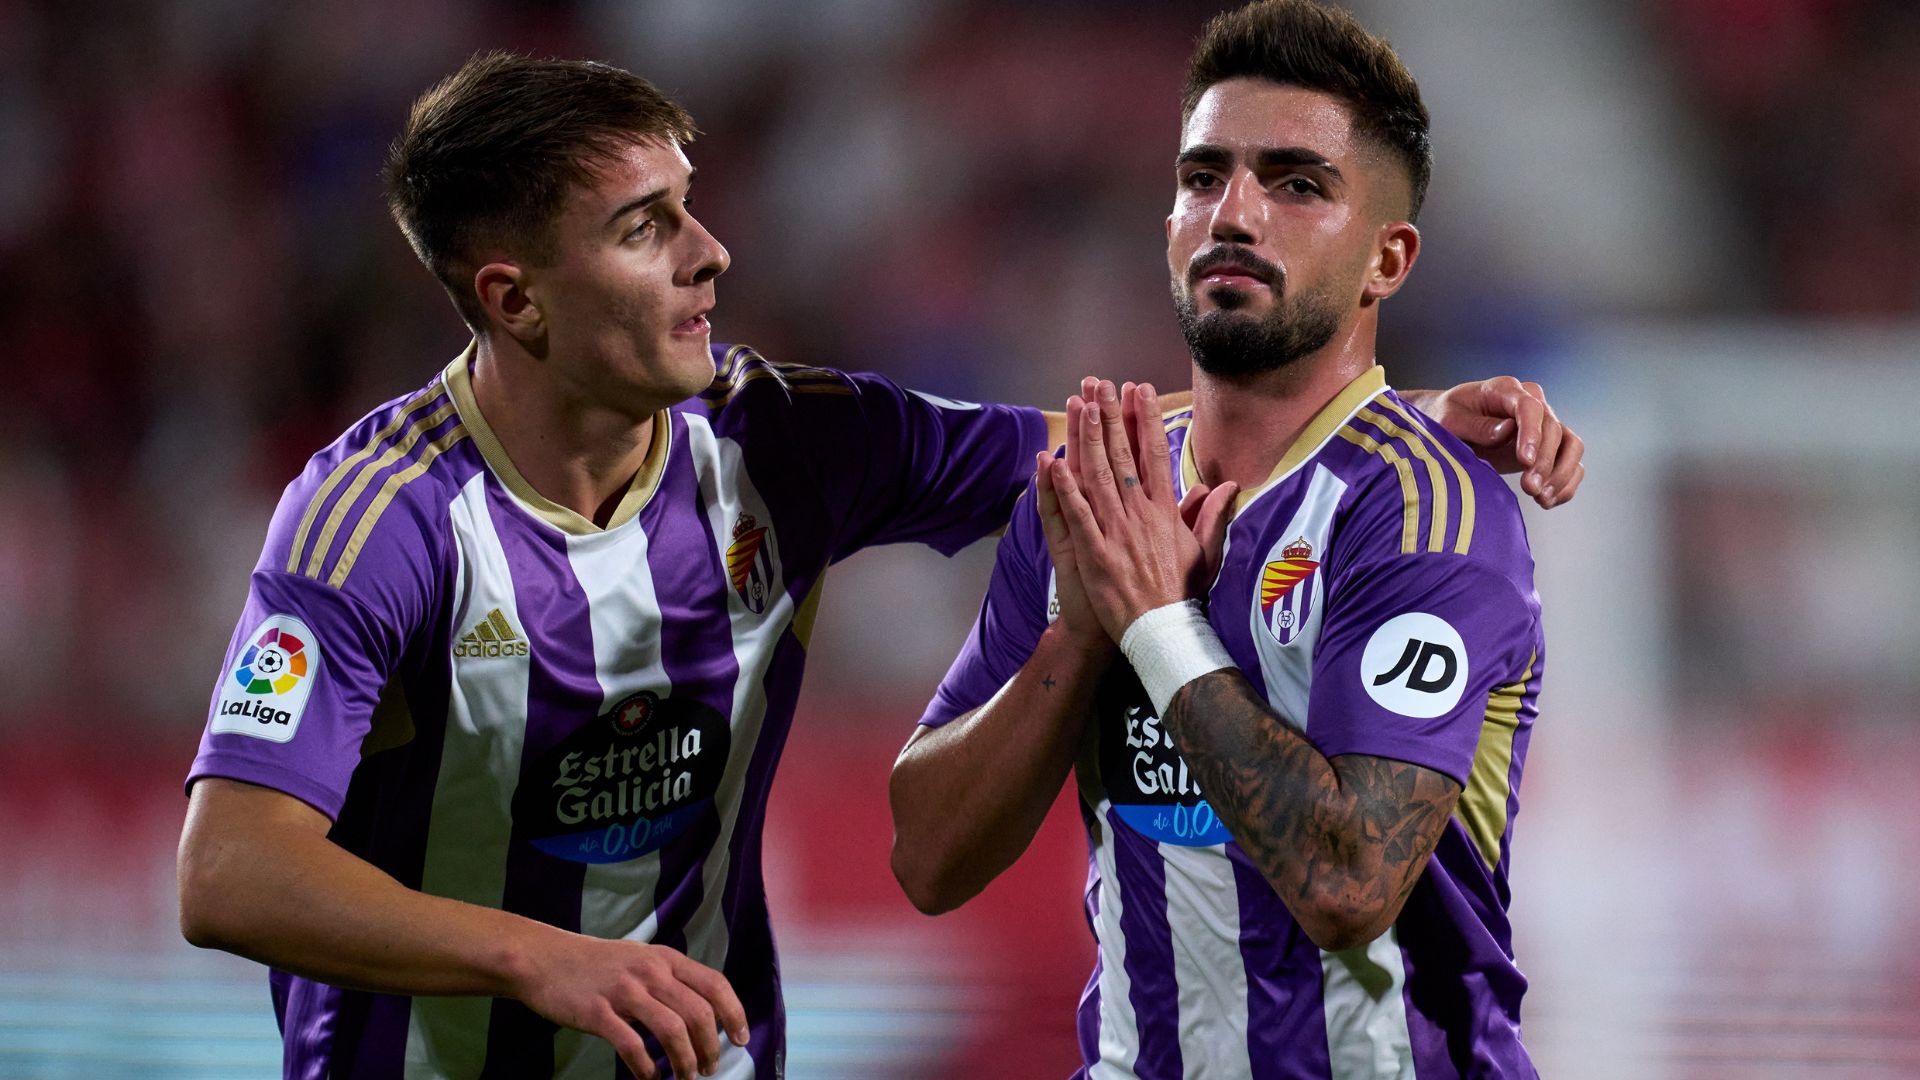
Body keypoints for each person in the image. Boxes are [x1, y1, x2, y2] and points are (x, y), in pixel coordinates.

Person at [176, 48, 1578, 1080]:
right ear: (514, 297)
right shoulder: (377, 519)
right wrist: (537, 954)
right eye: (645, 228)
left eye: (691, 206)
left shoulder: (786, 440)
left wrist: (1376, 427)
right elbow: (228, 871)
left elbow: (1117, 446)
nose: (712, 255)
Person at [891, 2, 1550, 1077]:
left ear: (1387, 260)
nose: (1234, 213)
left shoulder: (1427, 512)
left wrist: (1156, 623)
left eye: (1297, 184)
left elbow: (1348, 883)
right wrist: (1082, 634)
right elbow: (926, 858)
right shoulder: (1100, 491)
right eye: (1204, 177)